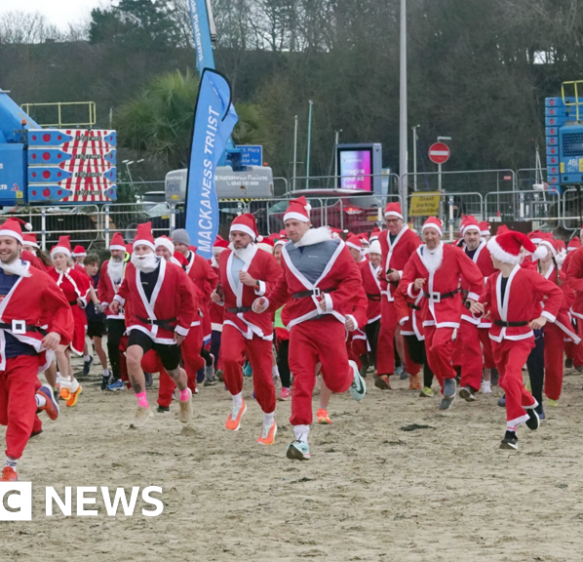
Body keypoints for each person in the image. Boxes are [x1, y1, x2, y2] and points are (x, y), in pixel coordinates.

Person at [253, 197, 367, 460]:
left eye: (294, 224)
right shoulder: (289, 253)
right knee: (301, 379)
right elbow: (284, 286)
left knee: (337, 381)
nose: (290, 229)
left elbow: (353, 280)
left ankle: (350, 371)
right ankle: (301, 438)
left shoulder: (334, 247)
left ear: (307, 223)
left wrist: (333, 300)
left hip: (329, 320)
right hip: (299, 323)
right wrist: (267, 303)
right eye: (287, 225)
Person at [470, 231, 562, 450]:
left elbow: (556, 293)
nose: (490, 257)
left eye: (493, 253)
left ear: (502, 255)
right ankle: (530, 403)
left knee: (511, 378)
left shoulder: (528, 276)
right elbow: (483, 304)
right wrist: (476, 308)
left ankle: (511, 433)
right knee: (506, 381)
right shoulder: (492, 279)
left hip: (521, 337)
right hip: (497, 337)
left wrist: (544, 317)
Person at [0, 218, 74, 482]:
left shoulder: (38, 278)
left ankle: (10, 466)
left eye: (8, 242)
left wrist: (56, 331)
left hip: (23, 351)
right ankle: (43, 398)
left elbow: (62, 308)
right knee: (5, 412)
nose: (2, 247)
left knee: (18, 411)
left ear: (20, 245)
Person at [109, 222, 195, 428]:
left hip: (167, 328)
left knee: (173, 371)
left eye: (145, 248)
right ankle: (143, 406)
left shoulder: (173, 270)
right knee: (132, 357)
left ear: (152, 250)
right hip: (142, 323)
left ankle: (184, 395)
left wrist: (183, 327)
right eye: (137, 248)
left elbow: (189, 298)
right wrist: (118, 300)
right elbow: (126, 287)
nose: (140, 252)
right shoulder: (131, 268)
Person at [211, 214, 281, 444]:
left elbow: (278, 287)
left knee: (263, 377)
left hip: (258, 319)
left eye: (242, 235)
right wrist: (218, 295)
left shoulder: (265, 258)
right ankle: (237, 402)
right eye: (234, 234)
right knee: (229, 359)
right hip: (232, 316)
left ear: (251, 237)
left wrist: (256, 284)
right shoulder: (224, 257)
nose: (237, 238)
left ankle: (269, 421)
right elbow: (223, 284)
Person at [399, 217, 483, 411]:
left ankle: (449, 378)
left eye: (433, 233)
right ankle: (448, 386)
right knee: (430, 354)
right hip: (428, 306)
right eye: (426, 233)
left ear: (440, 234)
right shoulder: (417, 255)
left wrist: (472, 299)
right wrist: (414, 285)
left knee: (438, 345)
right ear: (422, 235)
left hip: (449, 304)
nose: (430, 237)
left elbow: (476, 278)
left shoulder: (453, 253)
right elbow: (405, 282)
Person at [377, 202, 421, 390]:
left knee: (407, 334)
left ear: (402, 221)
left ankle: (414, 374)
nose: (391, 224)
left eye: (394, 220)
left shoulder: (412, 238)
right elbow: (385, 259)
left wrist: (401, 274)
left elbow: (419, 263)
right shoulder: (382, 237)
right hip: (388, 291)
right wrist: (382, 272)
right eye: (388, 220)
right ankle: (384, 373)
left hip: (406, 292)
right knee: (385, 331)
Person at [155, 235, 205, 399]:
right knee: (169, 360)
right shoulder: (148, 272)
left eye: (165, 250)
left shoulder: (178, 271)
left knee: (190, 357)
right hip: (165, 323)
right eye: (158, 250)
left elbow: (192, 297)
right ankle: (168, 396)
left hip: (188, 320)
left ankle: (202, 367)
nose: (161, 254)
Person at [172, 229, 219, 383]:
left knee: (195, 348)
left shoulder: (199, 262)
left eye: (180, 244)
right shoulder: (169, 261)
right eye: (175, 244)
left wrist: (207, 298)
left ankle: (207, 361)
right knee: (176, 347)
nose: (178, 247)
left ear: (187, 245)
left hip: (196, 311)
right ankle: (183, 380)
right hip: (175, 310)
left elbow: (214, 280)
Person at [457, 217, 496, 400]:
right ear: (462, 235)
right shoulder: (458, 252)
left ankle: (498, 377)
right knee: (468, 343)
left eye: (475, 233)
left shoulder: (489, 251)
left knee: (492, 348)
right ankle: (469, 385)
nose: (472, 237)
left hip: (488, 304)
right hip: (467, 304)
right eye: (468, 234)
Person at [48, 235, 90, 407]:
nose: (58, 260)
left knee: (60, 349)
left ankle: (64, 385)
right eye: (56, 257)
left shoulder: (76, 275)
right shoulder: (48, 275)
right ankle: (74, 386)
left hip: (72, 314)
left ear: (67, 258)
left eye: (61, 256)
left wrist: (84, 300)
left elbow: (87, 289)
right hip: (55, 315)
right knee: (62, 353)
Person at [538, 238, 579, 407]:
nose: (543, 252)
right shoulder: (530, 271)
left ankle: (552, 394)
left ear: (552, 254)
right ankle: (531, 386)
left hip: (554, 323)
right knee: (532, 358)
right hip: (533, 321)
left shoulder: (559, 276)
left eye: (547, 249)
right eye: (541, 248)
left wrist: (549, 307)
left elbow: (567, 297)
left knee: (553, 361)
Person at [97, 233, 128, 391]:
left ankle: (141, 373)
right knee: (112, 343)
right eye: (113, 251)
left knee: (135, 344)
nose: (115, 254)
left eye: (118, 251)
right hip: (113, 312)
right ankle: (117, 376)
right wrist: (103, 301)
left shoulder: (130, 264)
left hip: (131, 311)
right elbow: (102, 285)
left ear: (123, 251)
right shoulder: (105, 266)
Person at [82, 254, 110, 382]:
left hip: (97, 316)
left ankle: (105, 371)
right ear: (85, 265)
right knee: (79, 337)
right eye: (92, 265)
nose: (95, 268)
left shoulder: (100, 279)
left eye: (96, 266)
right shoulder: (81, 278)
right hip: (83, 315)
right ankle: (87, 357)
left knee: (98, 346)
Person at [357, 239, 382, 376]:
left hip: (382, 305)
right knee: (370, 336)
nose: (374, 257)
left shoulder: (386, 267)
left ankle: (380, 365)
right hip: (369, 306)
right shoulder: (363, 268)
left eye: (377, 255)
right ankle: (373, 361)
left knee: (379, 337)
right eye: (372, 254)